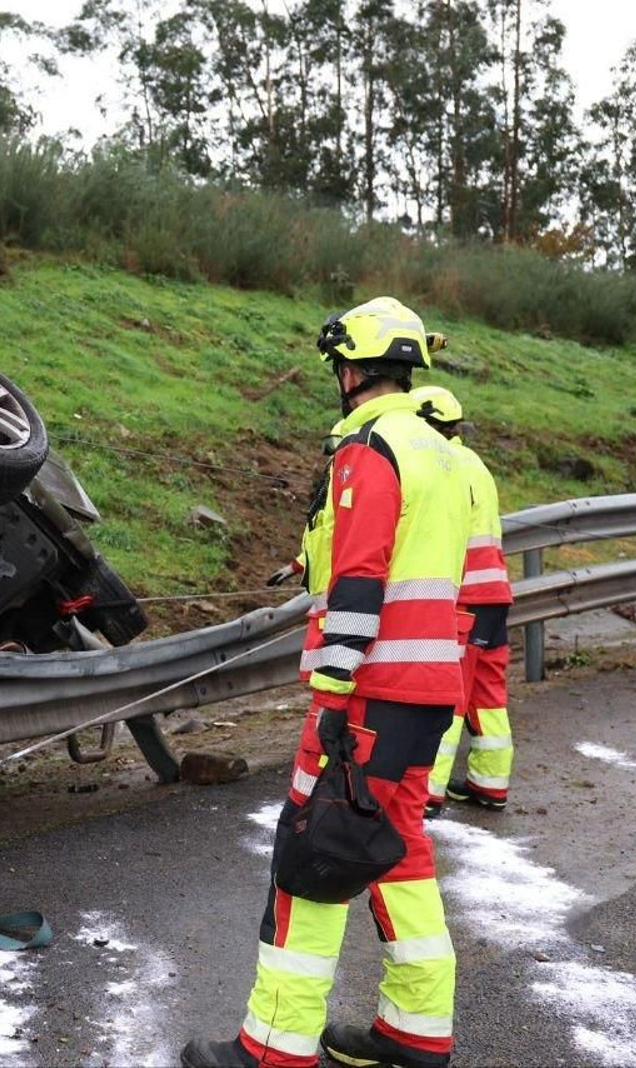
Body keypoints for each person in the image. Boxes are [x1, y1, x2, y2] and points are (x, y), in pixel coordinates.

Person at [182, 298, 472, 1068]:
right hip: (431, 687)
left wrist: (335, 696)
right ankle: (416, 1031)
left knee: (314, 854)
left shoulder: (371, 448)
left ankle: (273, 1049)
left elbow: (361, 581)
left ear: (351, 370)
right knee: (398, 849)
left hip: (369, 693)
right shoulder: (445, 455)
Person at [413, 385, 515, 815]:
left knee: (448, 694)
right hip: (494, 596)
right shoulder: (476, 463)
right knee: (488, 695)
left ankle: (428, 792)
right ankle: (489, 783)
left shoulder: (443, 464)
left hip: (463, 598)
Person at [266, 421, 344, 593]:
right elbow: (325, 538)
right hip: (324, 597)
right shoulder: (332, 491)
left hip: (339, 597)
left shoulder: (351, 494)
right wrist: (296, 566)